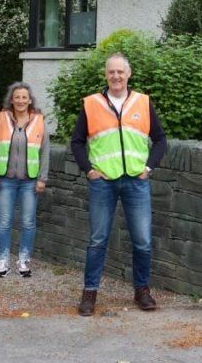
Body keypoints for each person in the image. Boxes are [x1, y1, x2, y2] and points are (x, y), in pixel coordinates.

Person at [70, 53, 167, 316]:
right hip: (103, 182)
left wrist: (148, 168)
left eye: (120, 72)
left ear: (129, 74)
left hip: (136, 181)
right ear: (106, 75)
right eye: (111, 72)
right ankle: (89, 293)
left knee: (143, 241)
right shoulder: (92, 104)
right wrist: (88, 170)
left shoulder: (143, 103)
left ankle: (142, 291)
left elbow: (160, 140)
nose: (116, 77)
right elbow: (76, 142)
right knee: (98, 239)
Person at [0, 82, 49, 277]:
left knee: (28, 222)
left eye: (24, 97)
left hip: (30, 181)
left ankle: (23, 260)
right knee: (4, 222)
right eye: (17, 97)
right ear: (11, 100)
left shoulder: (39, 120)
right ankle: (3, 260)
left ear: (30, 100)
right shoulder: (2, 118)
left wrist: (42, 178)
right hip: (6, 180)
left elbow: (45, 151)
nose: (21, 100)